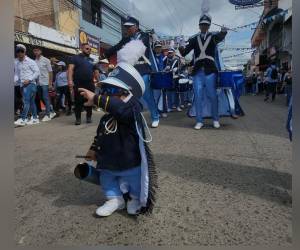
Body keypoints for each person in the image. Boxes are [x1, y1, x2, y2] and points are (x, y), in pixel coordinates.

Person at [78, 40, 157, 216]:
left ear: (128, 94)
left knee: (135, 180)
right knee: (107, 179)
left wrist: (97, 99)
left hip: (130, 162)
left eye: (112, 91)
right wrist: (91, 152)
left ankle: (135, 197)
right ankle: (114, 199)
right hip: (107, 163)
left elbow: (121, 109)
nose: (106, 95)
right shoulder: (106, 118)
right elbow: (99, 137)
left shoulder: (132, 109)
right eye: (105, 91)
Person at [101, 16, 160, 128]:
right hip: (132, 72)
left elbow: (137, 46)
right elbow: (116, 47)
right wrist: (105, 54)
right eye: (126, 27)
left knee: (147, 96)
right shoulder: (126, 39)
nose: (127, 29)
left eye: (129, 27)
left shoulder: (144, 36)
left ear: (136, 27)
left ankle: (155, 117)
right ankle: (134, 118)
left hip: (143, 70)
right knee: (131, 97)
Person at [179, 13, 227, 130]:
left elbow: (221, 36)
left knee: (213, 96)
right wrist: (180, 46)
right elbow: (184, 53)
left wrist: (224, 31)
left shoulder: (214, 37)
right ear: (199, 26)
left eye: (206, 25)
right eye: (202, 25)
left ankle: (215, 119)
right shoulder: (194, 39)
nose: (204, 26)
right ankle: (199, 121)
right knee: (198, 96)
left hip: (210, 70)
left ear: (209, 26)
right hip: (197, 72)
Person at [68, 43, 95, 125]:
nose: (89, 50)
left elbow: (96, 71)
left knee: (90, 100)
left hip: (90, 83)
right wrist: (70, 80)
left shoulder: (92, 60)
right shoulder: (75, 58)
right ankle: (78, 119)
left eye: (90, 49)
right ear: (82, 49)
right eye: (87, 49)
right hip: (79, 83)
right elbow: (70, 69)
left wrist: (99, 81)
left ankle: (89, 117)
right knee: (78, 102)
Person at [14, 44, 40, 126]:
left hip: (30, 84)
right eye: (18, 51)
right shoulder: (17, 63)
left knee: (26, 101)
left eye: (21, 51)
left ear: (24, 52)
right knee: (31, 102)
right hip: (22, 85)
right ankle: (35, 118)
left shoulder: (30, 61)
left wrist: (29, 80)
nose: (19, 53)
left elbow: (37, 72)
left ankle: (23, 119)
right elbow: (17, 75)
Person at [33, 46, 56, 122]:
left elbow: (50, 72)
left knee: (45, 97)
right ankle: (51, 110)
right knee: (41, 98)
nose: (36, 52)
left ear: (41, 51)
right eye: (34, 51)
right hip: (38, 83)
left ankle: (48, 115)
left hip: (45, 82)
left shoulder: (46, 60)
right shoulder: (34, 61)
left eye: (37, 50)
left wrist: (50, 84)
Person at [164, 48, 183, 112]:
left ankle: (177, 105)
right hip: (168, 78)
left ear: (174, 53)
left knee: (177, 92)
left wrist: (177, 69)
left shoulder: (177, 59)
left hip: (176, 77)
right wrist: (166, 69)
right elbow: (163, 68)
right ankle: (169, 107)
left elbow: (180, 67)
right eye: (169, 53)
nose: (170, 54)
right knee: (168, 93)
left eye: (171, 52)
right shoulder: (165, 59)